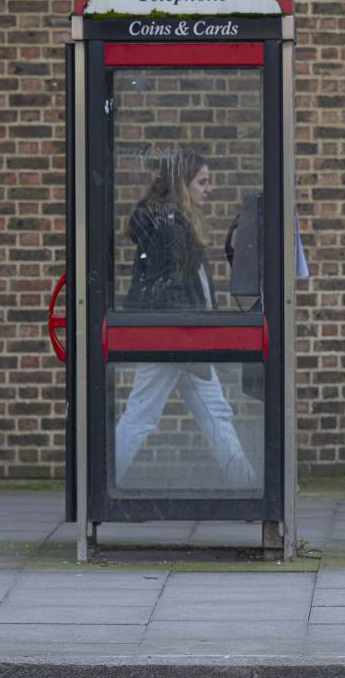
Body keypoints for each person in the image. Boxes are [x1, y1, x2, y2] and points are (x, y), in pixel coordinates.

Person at [114, 146, 255, 488]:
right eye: (202, 182)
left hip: (185, 338)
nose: (209, 189)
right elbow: (171, 287)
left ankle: (247, 484)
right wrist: (189, 333)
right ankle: (99, 481)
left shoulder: (177, 224)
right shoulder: (170, 228)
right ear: (182, 185)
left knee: (213, 413)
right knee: (141, 416)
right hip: (174, 338)